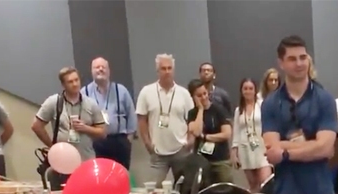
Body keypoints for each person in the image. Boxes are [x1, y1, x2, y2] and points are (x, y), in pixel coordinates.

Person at [262, 35, 338, 194]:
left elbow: (326, 148)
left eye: (303, 57)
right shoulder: (270, 104)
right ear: (281, 63)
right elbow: (271, 149)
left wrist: (285, 152)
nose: (299, 63)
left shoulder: (325, 99)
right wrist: (313, 146)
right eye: (292, 59)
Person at [136, 54, 194, 183]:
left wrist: (191, 140)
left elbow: (192, 119)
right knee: (154, 192)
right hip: (157, 151)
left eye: (169, 68)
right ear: (157, 71)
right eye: (163, 68)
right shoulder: (146, 92)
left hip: (181, 150)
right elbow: (142, 119)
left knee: (184, 189)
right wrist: (147, 143)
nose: (167, 72)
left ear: (173, 70)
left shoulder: (183, 93)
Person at [33, 67, 106, 163]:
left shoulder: (91, 103)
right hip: (62, 160)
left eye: (76, 80)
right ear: (63, 85)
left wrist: (85, 128)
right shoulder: (53, 102)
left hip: (86, 159)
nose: (75, 84)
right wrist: (52, 146)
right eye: (70, 82)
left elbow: (102, 133)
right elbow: (36, 126)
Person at [82, 57, 136, 169]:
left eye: (103, 67)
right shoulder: (84, 93)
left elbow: (131, 115)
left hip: (119, 141)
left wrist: (128, 141)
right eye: (97, 67)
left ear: (109, 71)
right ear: (92, 71)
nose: (100, 69)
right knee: (99, 177)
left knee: (121, 176)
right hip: (95, 142)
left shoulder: (121, 90)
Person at [186, 78, 233, 185]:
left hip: (220, 159)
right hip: (202, 160)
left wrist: (206, 137)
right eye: (199, 95)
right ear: (193, 97)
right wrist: (201, 110)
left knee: (226, 186)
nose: (204, 97)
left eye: (205, 93)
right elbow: (196, 131)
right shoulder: (192, 114)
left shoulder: (219, 110)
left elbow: (226, 134)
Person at [232, 79, 271, 192]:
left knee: (265, 181)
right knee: (253, 184)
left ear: (255, 90)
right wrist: (234, 152)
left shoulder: (262, 105)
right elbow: (236, 131)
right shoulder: (238, 110)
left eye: (250, 88)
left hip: (262, 146)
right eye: (245, 89)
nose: (248, 91)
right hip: (245, 148)